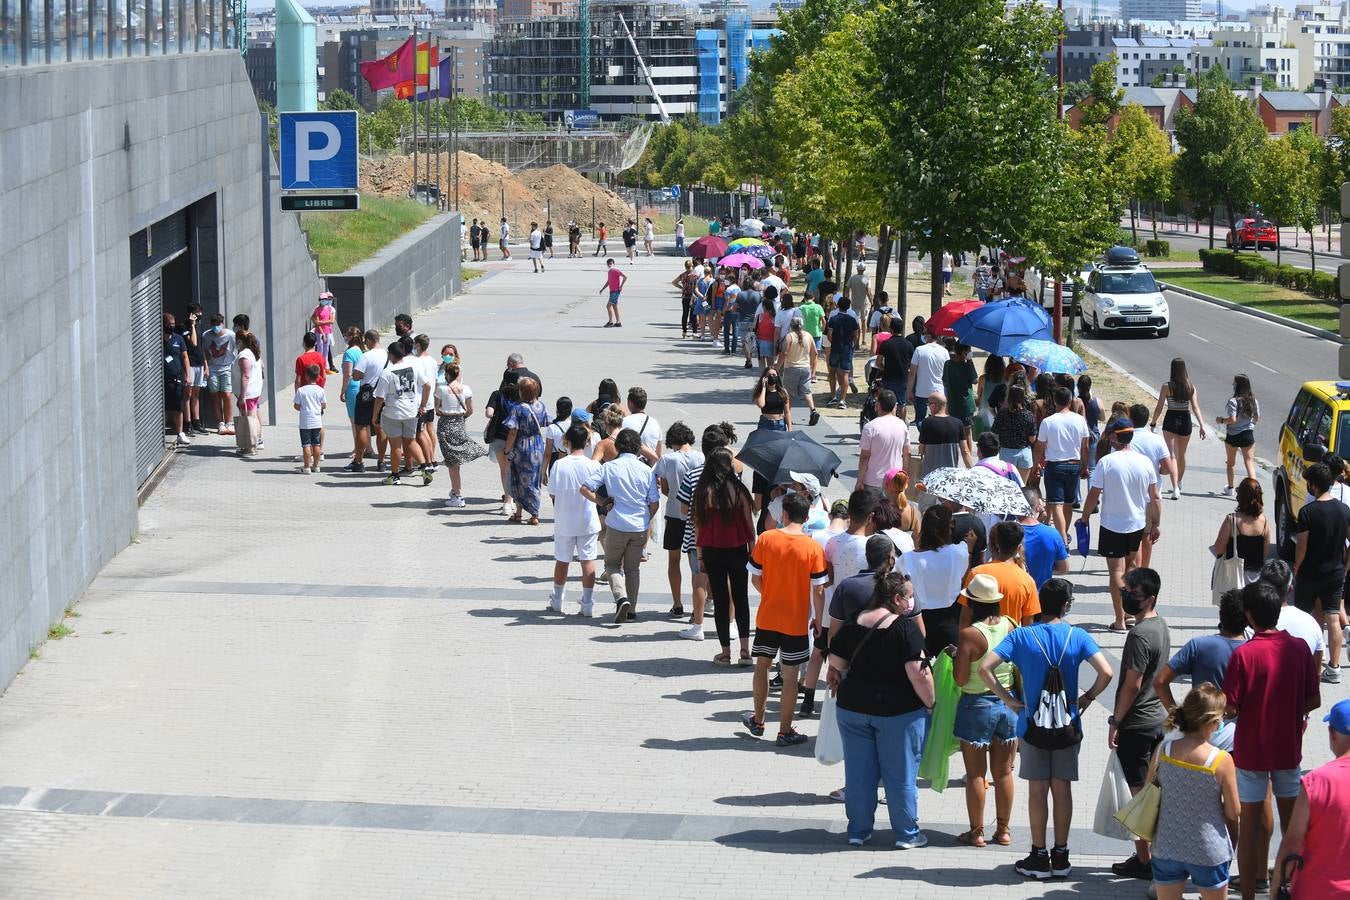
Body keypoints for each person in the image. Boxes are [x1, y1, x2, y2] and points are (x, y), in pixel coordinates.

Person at [980, 578, 1114, 881]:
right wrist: (1088, 697)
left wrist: (1010, 700)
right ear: (1066, 606)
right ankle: (1062, 855)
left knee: (1038, 790)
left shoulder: (1022, 636)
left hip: (1032, 724)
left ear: (1040, 603)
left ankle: (1038, 855)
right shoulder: (1077, 636)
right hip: (1067, 724)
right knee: (1062, 788)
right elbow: (1106, 672)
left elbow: (984, 667)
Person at [1224, 580, 1322, 900]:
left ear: (1249, 616)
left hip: (1251, 752)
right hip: (1288, 749)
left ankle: (1250, 894)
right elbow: (1313, 701)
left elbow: (1231, 706)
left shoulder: (1244, 654)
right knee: (1292, 828)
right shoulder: (1298, 649)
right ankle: (1288, 888)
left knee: (1249, 827)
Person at [827, 570, 934, 849]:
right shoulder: (905, 629)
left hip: (852, 710)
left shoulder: (853, 622)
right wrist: (931, 703)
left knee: (859, 774)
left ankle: (858, 831)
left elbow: (835, 664)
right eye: (910, 597)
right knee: (900, 775)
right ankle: (907, 834)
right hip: (898, 713)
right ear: (897, 599)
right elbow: (918, 673)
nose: (912, 602)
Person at [744, 492, 827, 747]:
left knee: (762, 667)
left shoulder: (767, 539)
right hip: (796, 621)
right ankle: (784, 730)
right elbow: (819, 589)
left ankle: (758, 720)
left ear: (784, 514)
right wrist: (818, 620)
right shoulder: (813, 547)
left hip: (768, 616)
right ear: (807, 516)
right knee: (790, 675)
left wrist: (768, 592)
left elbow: (755, 577)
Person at [1146, 683, 1240, 900]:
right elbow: (1233, 811)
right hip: (1208, 849)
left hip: (1167, 844)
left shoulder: (1163, 750)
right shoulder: (1221, 760)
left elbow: (1149, 789)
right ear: (1212, 722)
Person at [1108, 567, 1171, 882]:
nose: (1126, 597)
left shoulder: (1139, 635)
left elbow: (1132, 683)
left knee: (1138, 796)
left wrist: (1116, 720)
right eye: (1124, 592)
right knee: (1150, 793)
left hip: (1136, 724)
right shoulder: (1161, 626)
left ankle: (1145, 860)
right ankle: (1150, 855)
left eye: (1132, 593)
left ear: (1150, 598)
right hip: (1157, 720)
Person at [1078, 420, 1162, 631]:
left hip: (1112, 524)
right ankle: (1132, 613)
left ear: (1115, 437)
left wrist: (1085, 518)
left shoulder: (1106, 462)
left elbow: (1093, 494)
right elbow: (1155, 497)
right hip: (1137, 523)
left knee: (1116, 571)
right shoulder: (1144, 462)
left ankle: (1119, 619)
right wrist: (1156, 523)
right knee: (1132, 568)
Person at [953, 587, 1019, 848]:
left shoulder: (969, 634)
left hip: (975, 705)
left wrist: (955, 655)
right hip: (1008, 704)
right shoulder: (1011, 626)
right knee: (1003, 773)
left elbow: (960, 679)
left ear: (972, 604)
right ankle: (1003, 831)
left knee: (976, 775)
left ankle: (976, 832)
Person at [1272, 698, 1350, 899]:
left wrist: (1275, 893)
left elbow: (1291, 845)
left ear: (1332, 734)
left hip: (1316, 891)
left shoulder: (1317, 781)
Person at [583, 429, 660, 624]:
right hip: (639, 526)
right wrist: (646, 519)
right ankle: (632, 609)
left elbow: (585, 488)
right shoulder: (646, 470)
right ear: (638, 448)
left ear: (617, 447)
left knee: (611, 565)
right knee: (633, 569)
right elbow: (654, 502)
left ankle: (621, 598)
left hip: (616, 524)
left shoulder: (608, 467)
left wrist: (602, 502)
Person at [1155, 588, 1246, 751]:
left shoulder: (1198, 645)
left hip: (1199, 735)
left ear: (1220, 615)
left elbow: (1160, 681)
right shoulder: (1253, 652)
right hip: (1238, 740)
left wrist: (1177, 716)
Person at [1293, 462, 1350, 683]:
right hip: (1335, 572)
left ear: (1313, 485)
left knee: (1304, 617)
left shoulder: (1308, 512)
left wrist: (1297, 567)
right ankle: (1334, 668)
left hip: (1310, 572)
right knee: (1332, 617)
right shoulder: (1344, 510)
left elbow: (1302, 546)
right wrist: (1345, 566)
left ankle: (1304, 663)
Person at [547, 423, 603, 616]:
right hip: (588, 519)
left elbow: (552, 494)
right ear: (587, 442)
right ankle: (587, 603)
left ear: (567, 441)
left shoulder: (559, 465)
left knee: (562, 560)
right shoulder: (593, 465)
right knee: (588, 560)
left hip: (564, 519)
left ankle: (557, 599)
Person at [899, 505, 967, 653]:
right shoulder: (958, 552)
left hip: (917, 622)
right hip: (950, 620)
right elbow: (964, 570)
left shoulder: (907, 559)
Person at [654, 422, 703, 619]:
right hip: (697, 517)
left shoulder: (667, 459)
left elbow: (664, 488)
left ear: (672, 440)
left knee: (674, 561)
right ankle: (697, 607)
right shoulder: (701, 456)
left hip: (675, 514)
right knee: (697, 564)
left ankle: (677, 604)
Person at [1034, 387, 1091, 545]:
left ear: (1054, 400)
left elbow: (1040, 445)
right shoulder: (1080, 420)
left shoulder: (1048, 421)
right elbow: (1085, 446)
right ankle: (1064, 533)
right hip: (1074, 465)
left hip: (1054, 466)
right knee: (1068, 502)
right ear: (1070, 400)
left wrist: (1035, 464)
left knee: (1056, 503)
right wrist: (1085, 466)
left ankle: (1062, 539)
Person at [372, 341, 432, 486]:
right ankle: (425, 468)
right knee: (411, 441)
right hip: (412, 411)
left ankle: (394, 475)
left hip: (393, 413)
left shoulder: (387, 372)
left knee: (395, 446)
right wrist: (423, 405)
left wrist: (375, 415)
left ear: (391, 354)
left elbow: (380, 397)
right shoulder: (412, 367)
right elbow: (427, 385)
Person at [962, 522, 1040, 628]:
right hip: (1011, 642)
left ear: (996, 544)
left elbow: (965, 617)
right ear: (1019, 547)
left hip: (980, 641)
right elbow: (1028, 625)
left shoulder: (976, 573)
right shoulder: (1028, 581)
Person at [1150, 357, 1207, 499]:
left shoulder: (1166, 386)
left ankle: (1175, 487)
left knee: (1171, 455)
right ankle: (1179, 482)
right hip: (1185, 420)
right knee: (1182, 455)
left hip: (1171, 419)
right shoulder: (1191, 387)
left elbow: (1159, 407)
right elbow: (1195, 407)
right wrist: (1201, 425)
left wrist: (1153, 422)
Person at [435, 361, 486, 508]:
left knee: (452, 463)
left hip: (445, 425)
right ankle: (455, 489)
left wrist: (445, 412)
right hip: (459, 424)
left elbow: (437, 410)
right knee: (455, 460)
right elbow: (470, 410)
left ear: (447, 374)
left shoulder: (441, 389)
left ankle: (458, 495)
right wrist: (460, 417)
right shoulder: (467, 389)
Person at [502, 377, 551, 526]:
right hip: (537, 445)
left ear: (521, 391)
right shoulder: (541, 406)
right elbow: (547, 422)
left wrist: (507, 450)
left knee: (518, 479)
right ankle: (535, 514)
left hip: (522, 447)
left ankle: (518, 513)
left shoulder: (518, 408)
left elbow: (512, 432)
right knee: (534, 481)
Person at [1210, 477, 1271, 587]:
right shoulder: (1264, 522)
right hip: (1255, 580)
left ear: (1240, 497)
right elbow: (1265, 554)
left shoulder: (1232, 520)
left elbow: (1219, 549)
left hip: (1232, 578)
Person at [348, 330, 387, 472]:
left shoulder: (366, 356)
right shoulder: (387, 355)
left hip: (366, 396)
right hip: (382, 396)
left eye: (366, 342)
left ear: (369, 340)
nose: (365, 344)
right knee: (380, 427)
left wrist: (355, 374)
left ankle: (358, 461)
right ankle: (381, 462)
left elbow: (356, 375)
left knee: (362, 427)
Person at [856, 390, 908, 490]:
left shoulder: (870, 427)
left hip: (873, 480)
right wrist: (905, 475)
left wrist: (860, 480)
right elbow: (907, 453)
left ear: (878, 405)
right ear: (895, 406)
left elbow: (864, 457)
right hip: (895, 479)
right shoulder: (902, 425)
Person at [1216, 374, 1259, 495]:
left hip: (1233, 435)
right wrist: (1250, 425)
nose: (1232, 385)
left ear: (1238, 386)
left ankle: (1230, 488)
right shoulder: (1253, 401)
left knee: (1230, 463)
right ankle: (1255, 491)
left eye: (1234, 383)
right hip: (1247, 434)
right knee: (1249, 462)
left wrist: (1221, 420)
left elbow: (1232, 419)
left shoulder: (1233, 401)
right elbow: (1256, 418)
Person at [1019, 487, 1069, 590]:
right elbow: (1064, 568)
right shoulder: (1052, 534)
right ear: (1038, 507)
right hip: (1040, 597)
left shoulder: (1007, 531)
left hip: (1014, 596)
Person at [777, 318, 819, 426]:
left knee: (788, 394)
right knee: (806, 391)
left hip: (791, 367)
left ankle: (788, 416)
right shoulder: (808, 336)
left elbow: (784, 353)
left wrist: (777, 367)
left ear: (791, 326)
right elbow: (815, 352)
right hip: (805, 368)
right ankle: (813, 410)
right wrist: (812, 369)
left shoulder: (789, 336)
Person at [917, 393, 970, 479]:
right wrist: (972, 471)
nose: (929, 407)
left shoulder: (927, 423)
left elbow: (921, 450)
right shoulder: (958, 423)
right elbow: (965, 451)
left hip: (930, 475)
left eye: (929, 404)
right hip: (950, 475)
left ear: (934, 405)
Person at [992, 385, 1036, 480]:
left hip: (1006, 452)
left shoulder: (1002, 413)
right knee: (1022, 487)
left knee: (1006, 486)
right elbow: (1032, 439)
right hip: (1024, 452)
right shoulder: (1028, 415)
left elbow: (995, 433)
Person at [232, 329, 264, 456]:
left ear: (240, 341)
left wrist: (242, 396)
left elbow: (245, 376)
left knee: (249, 418)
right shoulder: (253, 352)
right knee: (253, 417)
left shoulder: (244, 355)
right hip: (253, 391)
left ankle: (250, 447)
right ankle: (253, 444)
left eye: (236, 341)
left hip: (247, 393)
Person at [204, 313, 237, 436]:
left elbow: (237, 349)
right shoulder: (206, 336)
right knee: (215, 396)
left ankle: (229, 422)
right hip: (213, 368)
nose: (216, 327)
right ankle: (220, 423)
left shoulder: (230, 335)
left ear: (222, 324)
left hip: (227, 367)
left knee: (227, 395)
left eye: (218, 324)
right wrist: (206, 367)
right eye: (213, 325)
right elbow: (204, 352)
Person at [943, 343, 978, 454]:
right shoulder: (967, 366)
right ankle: (968, 454)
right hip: (966, 405)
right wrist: (970, 361)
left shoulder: (948, 364)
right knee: (967, 431)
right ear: (964, 353)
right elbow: (975, 380)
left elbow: (944, 381)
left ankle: (954, 454)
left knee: (954, 430)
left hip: (953, 402)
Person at [162, 312, 191, 447]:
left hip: (176, 378)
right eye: (169, 324)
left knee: (177, 407)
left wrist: (188, 375)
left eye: (173, 324)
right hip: (161, 380)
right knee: (163, 408)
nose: (172, 326)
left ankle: (180, 433)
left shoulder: (178, 339)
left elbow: (185, 357)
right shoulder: (157, 339)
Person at [826, 297, 860, 408]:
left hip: (835, 348)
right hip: (847, 349)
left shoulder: (833, 319)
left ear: (838, 305)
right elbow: (856, 335)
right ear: (848, 307)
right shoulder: (852, 320)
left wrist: (835, 342)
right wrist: (851, 344)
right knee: (845, 374)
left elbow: (830, 336)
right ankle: (842, 400)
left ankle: (833, 396)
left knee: (832, 372)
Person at [178, 305, 207, 435]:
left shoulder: (198, 327)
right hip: (189, 364)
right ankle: (187, 424)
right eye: (196, 312)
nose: (199, 314)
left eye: (200, 312)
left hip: (199, 363)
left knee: (196, 394)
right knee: (187, 395)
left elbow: (200, 347)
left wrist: (206, 365)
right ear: (190, 313)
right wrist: (193, 325)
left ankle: (197, 422)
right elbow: (193, 343)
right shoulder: (183, 327)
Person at [908, 334, 949, 426]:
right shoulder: (944, 351)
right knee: (938, 418)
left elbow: (912, 373)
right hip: (939, 390)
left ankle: (925, 436)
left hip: (921, 390)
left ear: (928, 336)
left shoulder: (919, 350)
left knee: (920, 419)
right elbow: (947, 372)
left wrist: (910, 390)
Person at [293, 364, 326, 474]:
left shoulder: (301, 391)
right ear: (317, 377)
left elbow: (296, 406)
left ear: (306, 376)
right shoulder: (321, 390)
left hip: (305, 422)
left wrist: (303, 407)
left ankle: (306, 467)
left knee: (306, 445)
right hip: (317, 421)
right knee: (316, 444)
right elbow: (324, 405)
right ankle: (316, 466)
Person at [621, 386, 662, 465]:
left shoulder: (624, 422)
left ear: (630, 403)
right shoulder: (655, 423)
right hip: (650, 470)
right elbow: (658, 455)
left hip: (630, 467)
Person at [310, 291, 337, 374]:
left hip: (328, 331)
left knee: (326, 350)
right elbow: (317, 322)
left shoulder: (330, 309)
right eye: (323, 299)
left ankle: (324, 367)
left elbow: (331, 321)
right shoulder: (317, 309)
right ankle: (318, 367)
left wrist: (321, 322)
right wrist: (323, 333)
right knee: (320, 350)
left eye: (326, 299)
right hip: (320, 332)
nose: (325, 300)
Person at [600, 258, 627, 328]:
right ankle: (618, 322)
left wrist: (621, 286)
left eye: (610, 263)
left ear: (613, 264)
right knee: (615, 306)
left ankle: (610, 322)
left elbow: (625, 277)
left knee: (608, 306)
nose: (609, 265)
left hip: (615, 291)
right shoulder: (609, 272)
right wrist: (602, 289)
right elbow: (608, 282)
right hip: (612, 291)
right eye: (608, 264)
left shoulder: (615, 270)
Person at [674, 260, 696, 339]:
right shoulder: (694, 275)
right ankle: (694, 332)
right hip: (693, 297)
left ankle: (684, 331)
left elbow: (674, 282)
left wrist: (681, 287)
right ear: (692, 266)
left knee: (685, 314)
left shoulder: (683, 275)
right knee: (693, 315)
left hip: (685, 296)